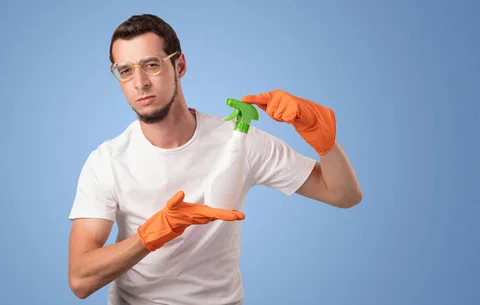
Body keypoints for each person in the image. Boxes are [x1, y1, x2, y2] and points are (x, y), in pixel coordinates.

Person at [67, 13, 362, 305]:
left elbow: (343, 195)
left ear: (179, 65)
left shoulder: (239, 141)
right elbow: (80, 280)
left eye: (151, 65)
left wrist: (325, 142)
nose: (139, 82)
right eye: (125, 70)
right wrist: (151, 235)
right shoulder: (107, 161)